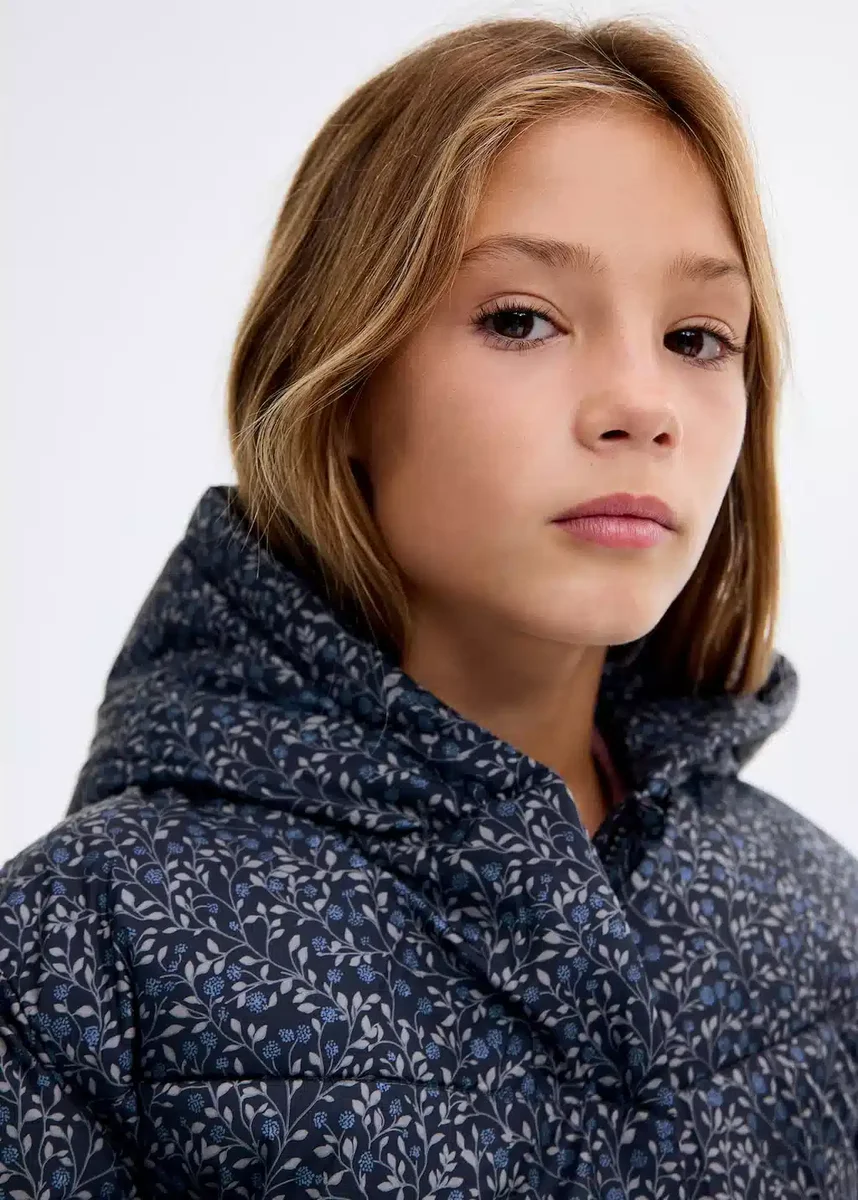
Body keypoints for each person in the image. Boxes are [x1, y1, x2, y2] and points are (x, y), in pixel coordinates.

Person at [1, 12, 856, 1198]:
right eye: (520, 319)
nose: (641, 404)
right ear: (345, 382)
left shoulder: (816, 917)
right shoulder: (83, 946)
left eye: (696, 337)